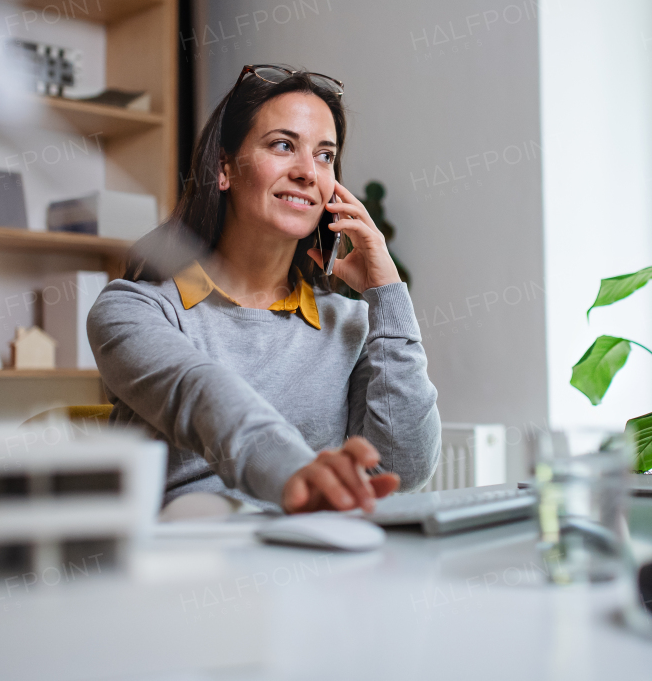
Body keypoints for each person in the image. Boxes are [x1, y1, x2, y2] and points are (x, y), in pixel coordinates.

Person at [87, 64, 441, 513]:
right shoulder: (132, 310)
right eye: (282, 145)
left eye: (325, 155)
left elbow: (402, 469)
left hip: (309, 558)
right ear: (224, 169)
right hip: (184, 566)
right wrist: (295, 471)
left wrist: (388, 293)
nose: (308, 172)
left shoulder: (350, 324)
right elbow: (200, 392)